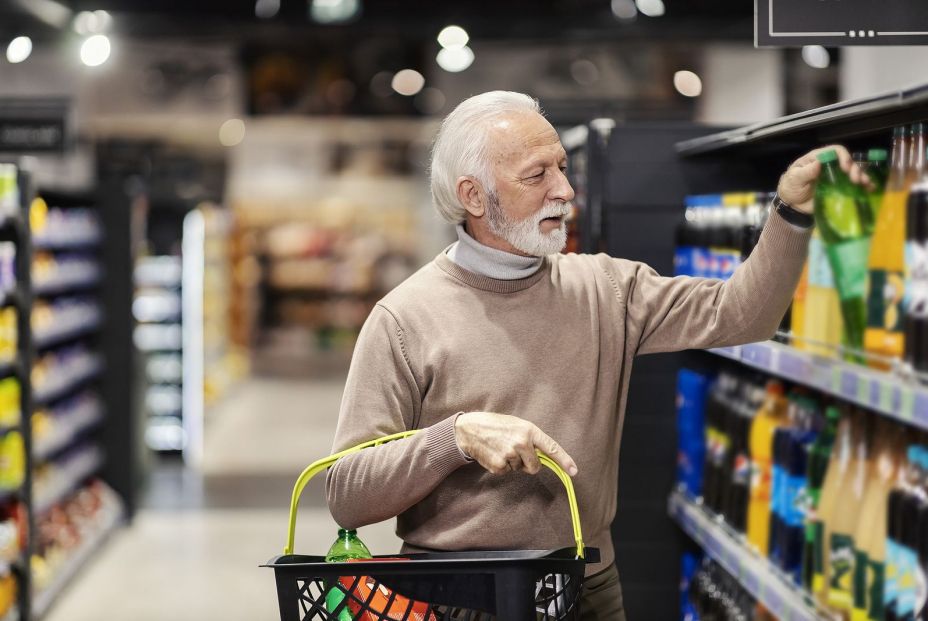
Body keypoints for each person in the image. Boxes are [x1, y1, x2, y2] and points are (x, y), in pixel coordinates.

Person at [325, 90, 869, 620]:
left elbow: (742, 315)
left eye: (562, 168)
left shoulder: (606, 288)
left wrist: (791, 212)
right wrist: (456, 437)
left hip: (589, 591)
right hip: (459, 599)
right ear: (473, 196)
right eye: (537, 175)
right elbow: (348, 495)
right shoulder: (404, 318)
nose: (564, 190)